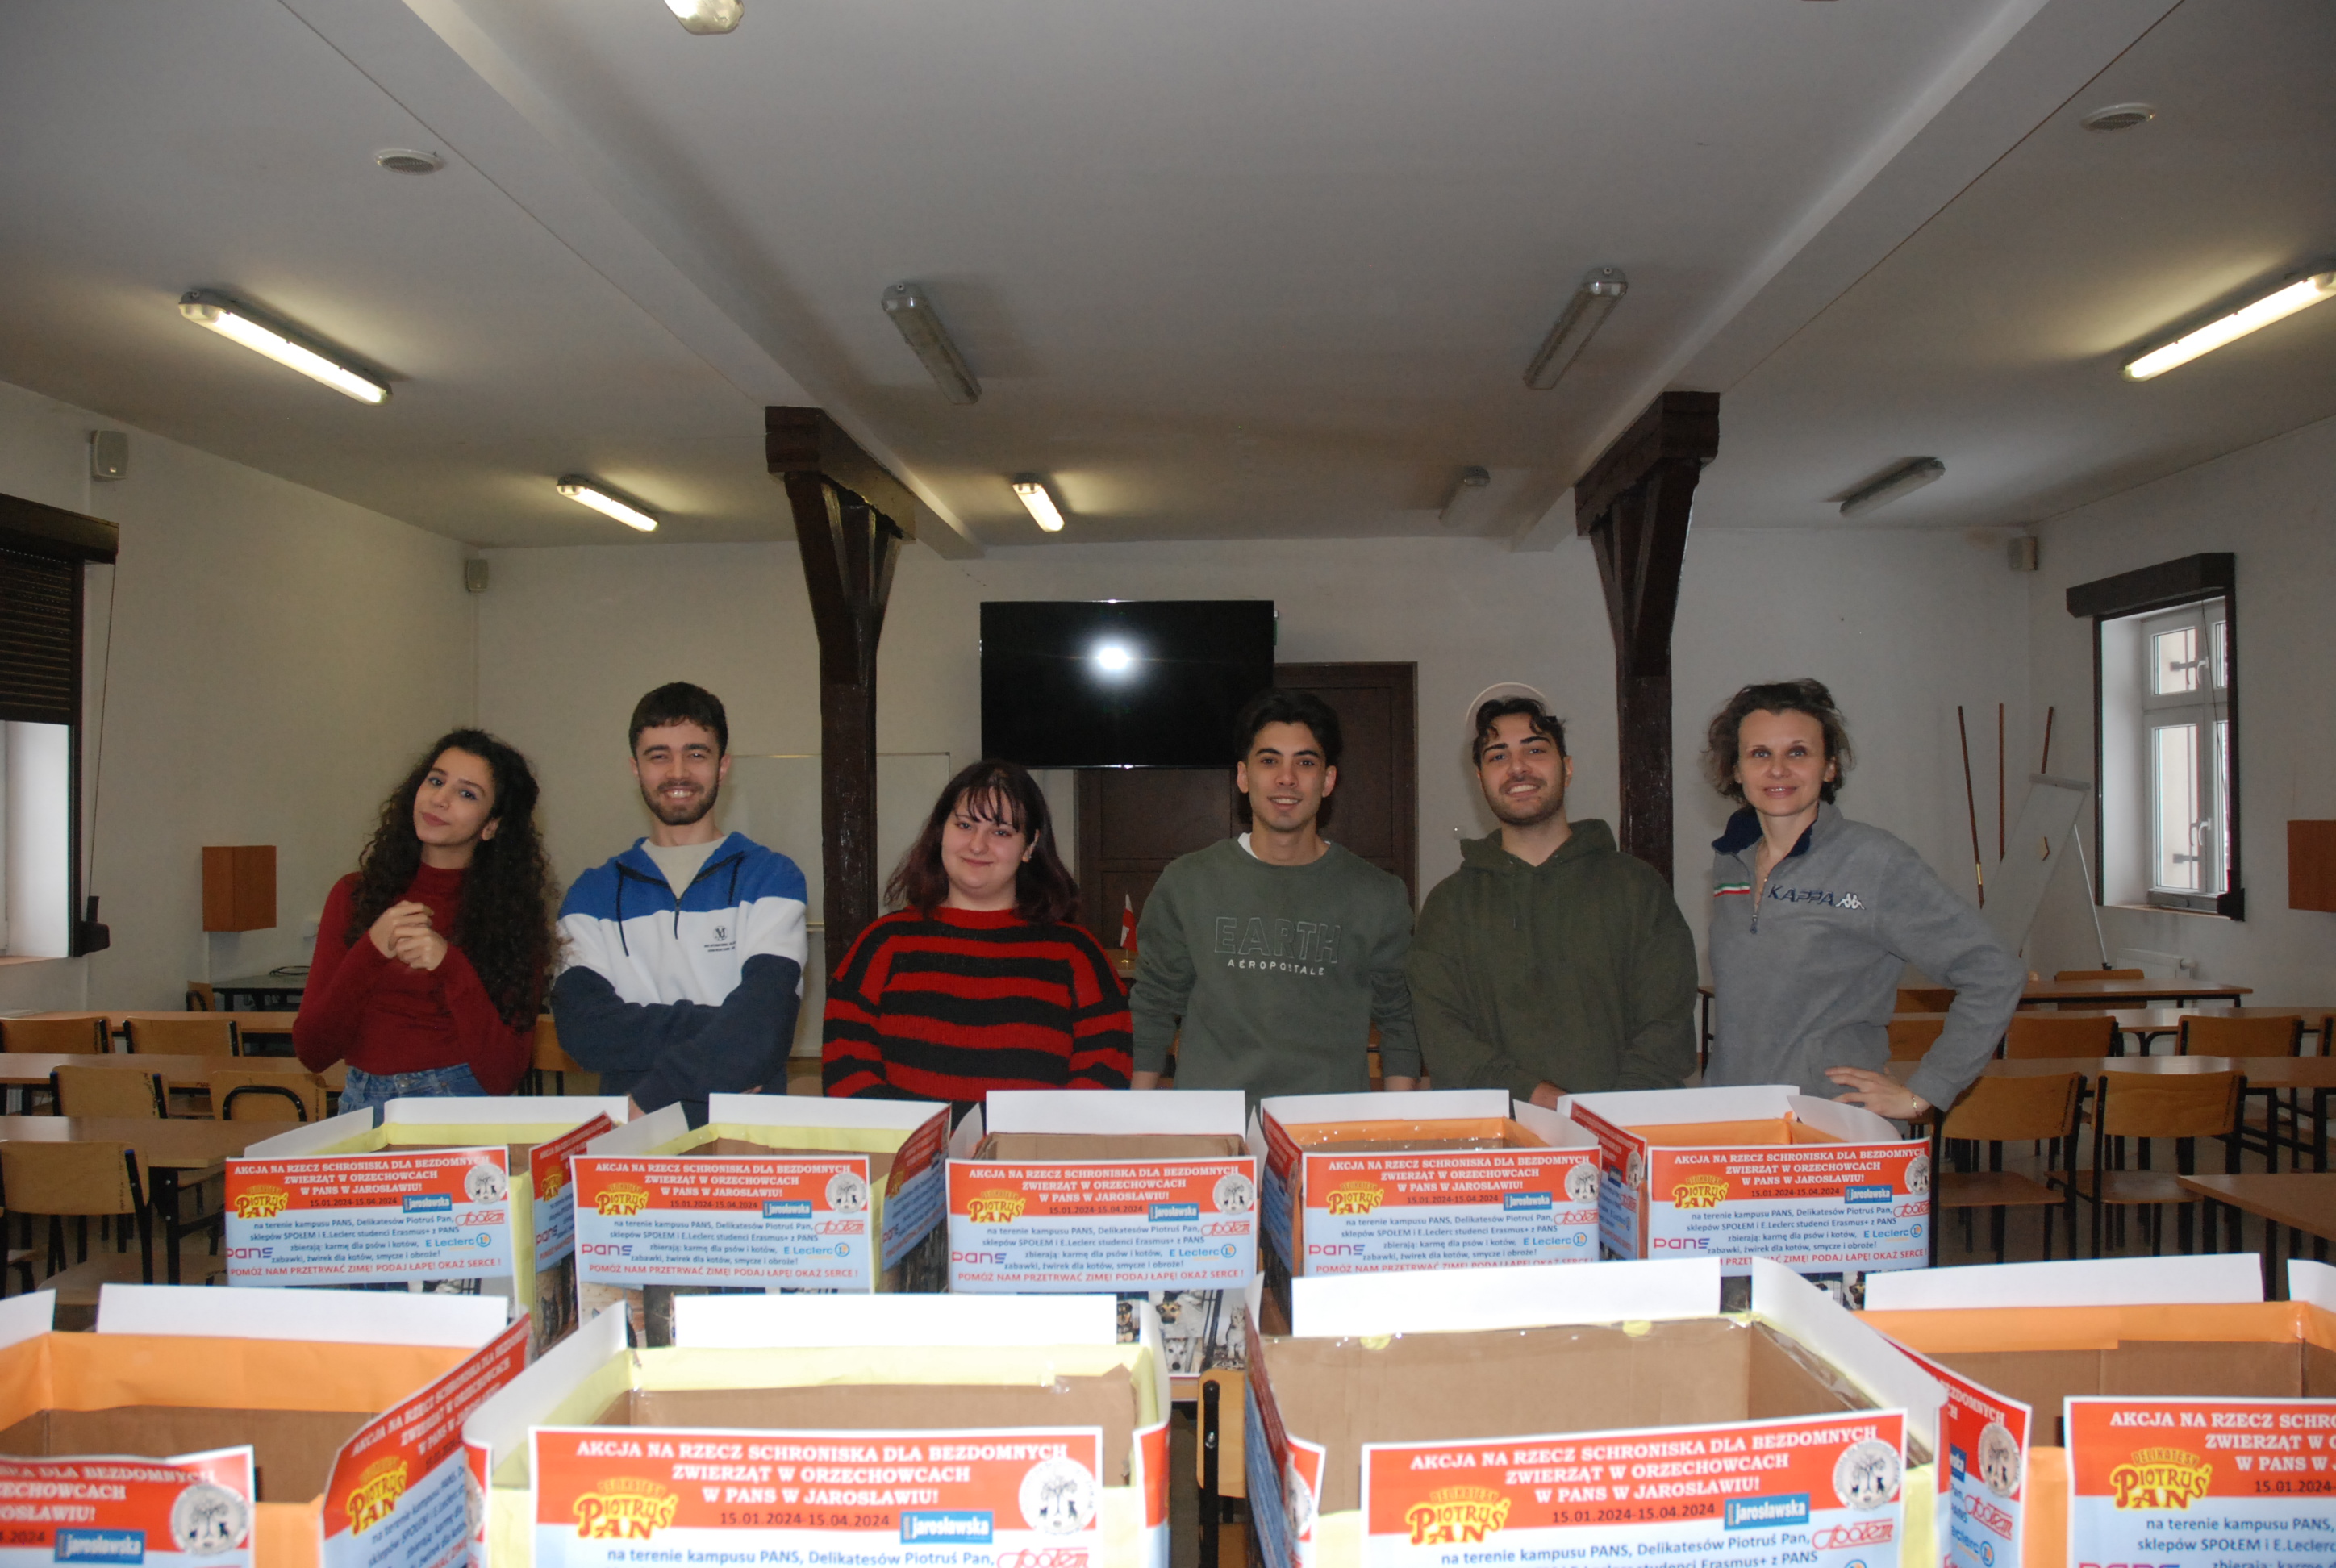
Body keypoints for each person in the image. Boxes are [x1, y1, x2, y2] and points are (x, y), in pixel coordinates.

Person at [1702, 678, 2023, 1120]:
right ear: (1737, 770)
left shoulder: (1875, 861)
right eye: (1760, 754)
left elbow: (1994, 971)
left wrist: (1926, 1091)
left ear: (1829, 768)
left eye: (1798, 752)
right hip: (1736, 1118)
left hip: (1833, 1123)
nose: (1778, 770)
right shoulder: (1730, 862)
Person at [1409, 686, 1698, 1103]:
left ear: (1567, 767)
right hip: (1498, 1132)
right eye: (1498, 757)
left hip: (1625, 1124)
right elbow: (1444, 1037)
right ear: (1480, 779)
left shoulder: (1636, 887)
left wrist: (1607, 1116)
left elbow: (1667, 1023)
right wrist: (1538, 1098)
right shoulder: (1449, 906)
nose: (1518, 767)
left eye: (1535, 750)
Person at [1129, 689, 1420, 1101]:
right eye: (1269, 761)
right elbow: (1155, 1005)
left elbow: (1400, 1018)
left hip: (1326, 1125)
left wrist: (1394, 1122)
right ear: (1243, 776)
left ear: (1328, 780)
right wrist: (1139, 1114)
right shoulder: (1187, 882)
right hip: (1215, 1123)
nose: (1287, 778)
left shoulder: (1379, 895)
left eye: (1305, 762)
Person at [551, 682, 809, 1117]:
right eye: (658, 756)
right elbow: (585, 1032)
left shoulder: (771, 878)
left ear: (722, 766)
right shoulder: (591, 894)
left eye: (696, 754)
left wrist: (652, 1096)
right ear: (635, 768)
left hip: (738, 1133)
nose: (678, 773)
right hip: (633, 1140)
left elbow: (763, 1023)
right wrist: (729, 1031)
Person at [822, 760, 1132, 1119]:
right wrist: (914, 1141)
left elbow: (1105, 1069)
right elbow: (845, 1063)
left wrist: (1031, 1141)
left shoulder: (1076, 953)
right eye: (965, 825)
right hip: (907, 1152)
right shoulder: (883, 943)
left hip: (1031, 1152)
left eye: (1001, 832)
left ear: (1030, 845)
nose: (977, 845)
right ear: (940, 831)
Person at [295, 729, 557, 1114]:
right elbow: (312, 1052)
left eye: (467, 794)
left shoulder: (511, 918)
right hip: (360, 1102)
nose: (440, 799)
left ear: (491, 825)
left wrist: (451, 966)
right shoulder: (354, 895)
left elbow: (503, 1076)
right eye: (436, 781)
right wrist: (370, 951)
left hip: (458, 1102)